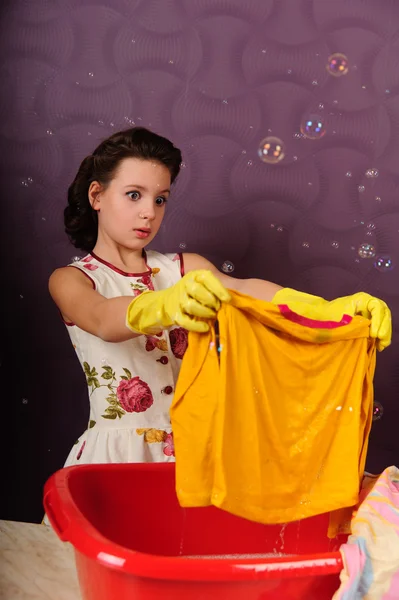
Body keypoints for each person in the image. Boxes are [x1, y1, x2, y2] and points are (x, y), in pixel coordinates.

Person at [49, 127, 392, 467]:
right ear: (96, 195)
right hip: (114, 458)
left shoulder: (185, 269)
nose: (149, 213)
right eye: (133, 195)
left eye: (160, 199)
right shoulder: (72, 279)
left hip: (195, 457)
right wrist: (165, 304)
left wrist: (329, 310)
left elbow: (249, 292)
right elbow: (102, 319)